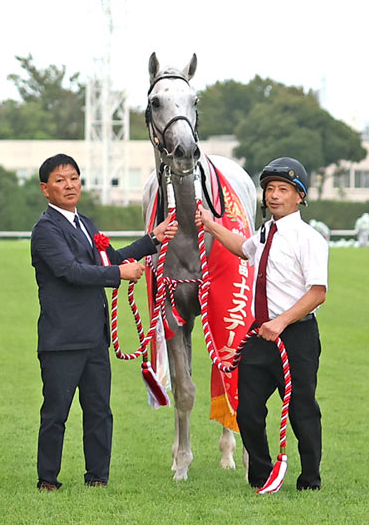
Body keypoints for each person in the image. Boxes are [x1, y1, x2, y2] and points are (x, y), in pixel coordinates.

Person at [27, 153, 176, 490]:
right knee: (56, 413)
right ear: (45, 189)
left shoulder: (86, 223)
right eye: (60, 180)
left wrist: (152, 239)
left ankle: (98, 477)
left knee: (99, 411)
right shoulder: (46, 230)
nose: (69, 185)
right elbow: (70, 271)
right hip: (62, 339)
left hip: (95, 337)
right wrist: (118, 274)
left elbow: (109, 258)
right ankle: (47, 479)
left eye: (73, 178)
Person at [198, 156, 329, 492]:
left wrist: (280, 323)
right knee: (248, 411)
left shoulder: (309, 239)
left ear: (299, 196)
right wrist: (211, 225)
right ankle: (262, 475)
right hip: (260, 335)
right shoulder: (263, 233)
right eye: (270, 189)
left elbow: (317, 293)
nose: (274, 195)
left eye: (282, 189)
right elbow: (242, 249)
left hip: (296, 335)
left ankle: (310, 480)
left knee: (301, 410)